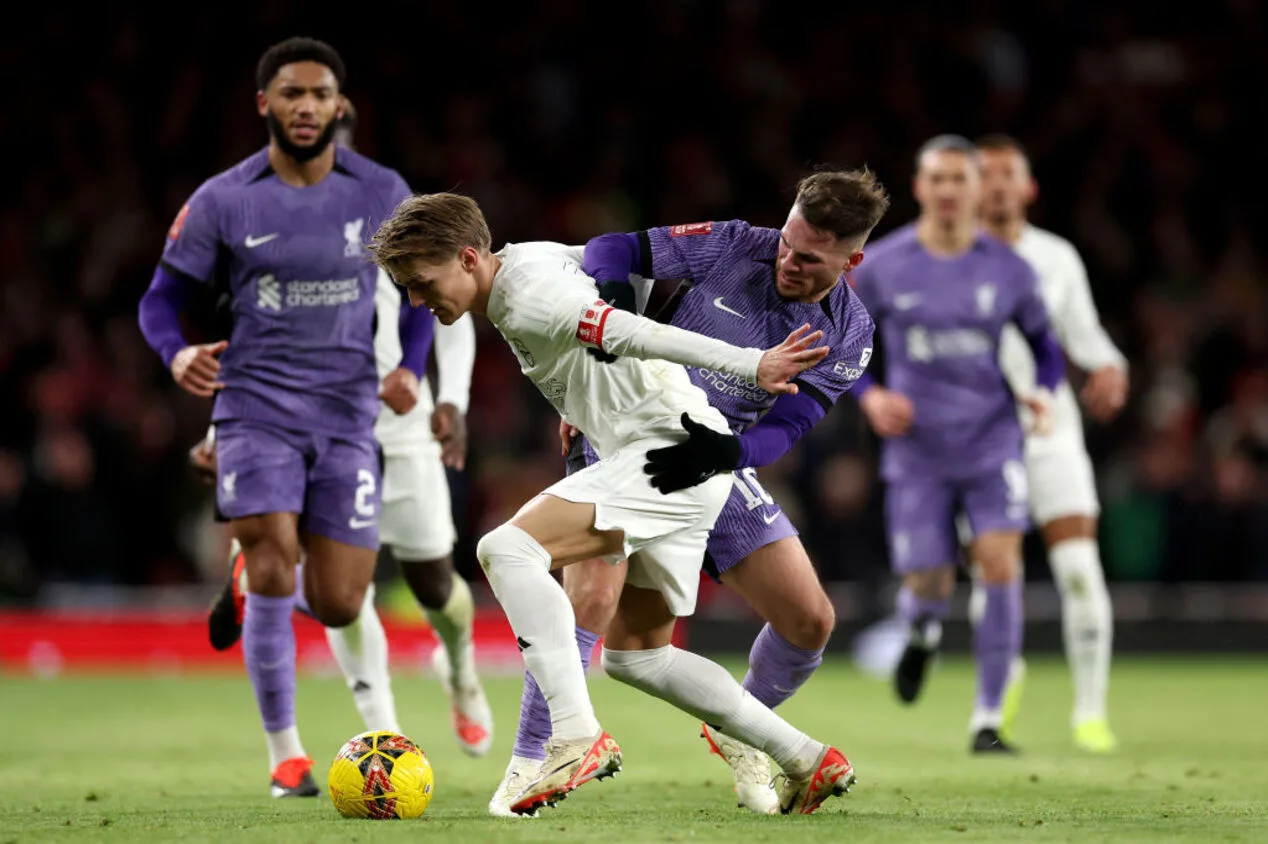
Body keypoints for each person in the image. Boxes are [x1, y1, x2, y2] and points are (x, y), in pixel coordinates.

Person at [367, 191, 857, 816]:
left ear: (467, 258)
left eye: (419, 282)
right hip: (665, 451)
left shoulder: (529, 296)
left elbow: (629, 330)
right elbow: (592, 258)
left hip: (663, 452)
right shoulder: (526, 262)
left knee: (506, 548)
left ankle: (574, 736)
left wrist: (751, 362)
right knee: (638, 656)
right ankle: (806, 758)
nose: (415, 299)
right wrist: (580, 403)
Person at [491, 169, 888, 816]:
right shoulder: (734, 243)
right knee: (590, 601)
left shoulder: (850, 332)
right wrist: (615, 311)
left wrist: (728, 453)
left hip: (715, 455)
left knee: (809, 621)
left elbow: (790, 423)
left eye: (809, 258)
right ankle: (530, 762)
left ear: (853, 259)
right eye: (787, 242)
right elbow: (612, 249)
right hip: (626, 432)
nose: (787, 260)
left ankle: (746, 732)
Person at [137, 37, 424, 797]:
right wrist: (174, 354)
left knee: (340, 601)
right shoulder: (226, 198)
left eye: (319, 95)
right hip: (255, 404)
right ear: (265, 104)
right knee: (272, 559)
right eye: (290, 94)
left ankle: (254, 578)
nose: (306, 107)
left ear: (339, 106)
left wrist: (409, 369)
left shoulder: (380, 190)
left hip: (347, 411)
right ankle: (285, 755)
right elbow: (159, 300)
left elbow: (424, 285)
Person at [197, 95, 494, 758]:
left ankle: (463, 671)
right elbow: (249, 342)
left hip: (398, 426)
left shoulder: (395, 214)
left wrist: (453, 402)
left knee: (435, 586)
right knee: (343, 587)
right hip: (311, 425)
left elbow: (452, 308)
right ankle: (384, 733)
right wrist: (224, 433)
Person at [850, 134, 1065, 754]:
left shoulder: (1009, 269)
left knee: (1002, 566)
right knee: (929, 580)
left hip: (991, 440)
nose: (947, 191)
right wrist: (871, 395)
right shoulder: (885, 266)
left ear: (978, 190)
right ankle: (920, 632)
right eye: (936, 179)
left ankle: (988, 721)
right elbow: (840, 342)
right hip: (916, 448)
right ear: (919, 189)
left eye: (958, 180)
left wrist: (1043, 393)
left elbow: (1045, 349)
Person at [972, 133, 1127, 753]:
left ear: (1029, 188)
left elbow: (1087, 338)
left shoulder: (1057, 258)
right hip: (979, 440)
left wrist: (1110, 367)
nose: (1000, 184)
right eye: (988, 174)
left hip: (1051, 433)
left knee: (1080, 570)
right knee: (994, 579)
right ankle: (993, 703)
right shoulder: (946, 260)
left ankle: (1090, 714)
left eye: (1011, 173)